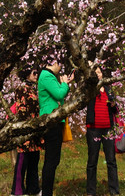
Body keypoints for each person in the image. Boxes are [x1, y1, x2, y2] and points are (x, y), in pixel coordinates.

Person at [38, 58, 73, 196]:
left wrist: (65, 84)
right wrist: (64, 84)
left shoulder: (49, 76)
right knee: (51, 160)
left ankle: (46, 192)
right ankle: (46, 193)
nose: (61, 68)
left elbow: (59, 94)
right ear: (54, 63)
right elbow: (59, 94)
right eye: (60, 64)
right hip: (50, 120)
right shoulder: (46, 76)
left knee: (53, 159)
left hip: (54, 120)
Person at [85, 66, 120, 196]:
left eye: (99, 72)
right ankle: (91, 192)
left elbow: (116, 111)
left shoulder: (109, 89)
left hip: (108, 129)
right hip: (93, 129)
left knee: (111, 160)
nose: (98, 74)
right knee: (92, 161)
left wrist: (113, 105)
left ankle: (114, 191)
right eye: (95, 72)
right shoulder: (89, 90)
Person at [11, 67, 42, 196]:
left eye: (37, 73)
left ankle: (33, 189)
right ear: (27, 74)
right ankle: (17, 191)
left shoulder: (34, 90)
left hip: (35, 130)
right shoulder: (21, 89)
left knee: (34, 161)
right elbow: (21, 109)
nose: (36, 75)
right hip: (25, 130)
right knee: (22, 161)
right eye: (34, 73)